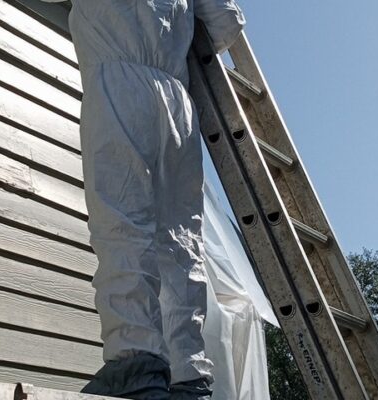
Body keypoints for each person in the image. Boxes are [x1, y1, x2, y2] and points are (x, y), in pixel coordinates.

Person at [42, 1, 245, 399]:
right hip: (177, 101)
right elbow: (226, 23)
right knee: (180, 243)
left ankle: (136, 363)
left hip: (118, 81)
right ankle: (189, 376)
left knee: (123, 225)